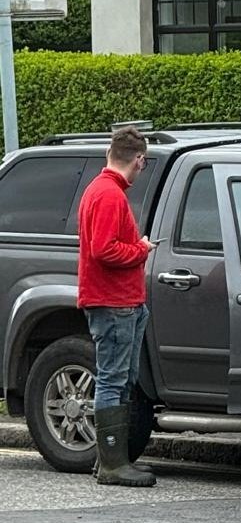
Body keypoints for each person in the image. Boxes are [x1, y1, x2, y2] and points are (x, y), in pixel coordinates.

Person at [76, 126, 157, 488]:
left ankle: (112, 459)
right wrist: (141, 249)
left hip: (120, 302)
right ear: (138, 159)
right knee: (112, 380)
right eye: (145, 161)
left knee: (121, 380)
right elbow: (104, 249)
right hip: (114, 303)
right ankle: (112, 464)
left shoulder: (101, 190)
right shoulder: (109, 195)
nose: (143, 167)